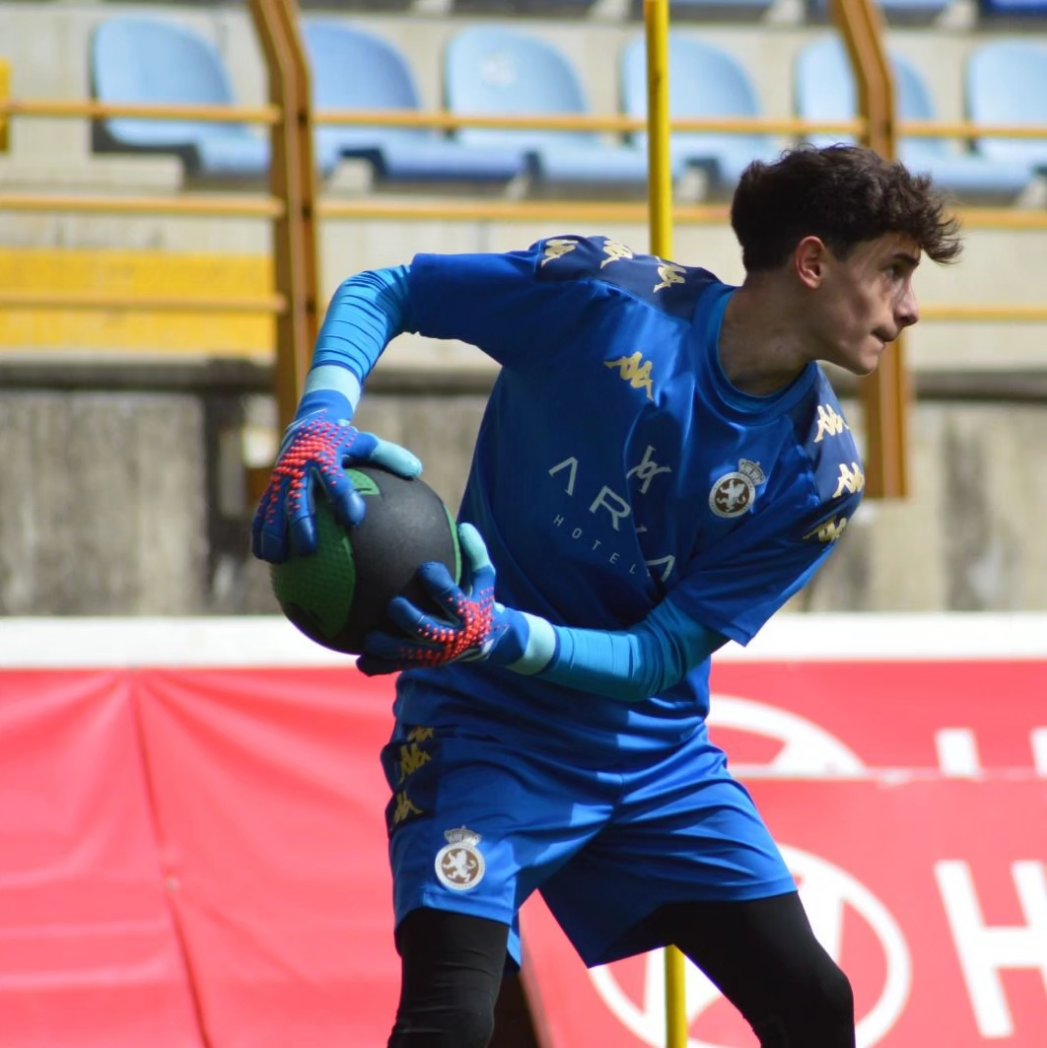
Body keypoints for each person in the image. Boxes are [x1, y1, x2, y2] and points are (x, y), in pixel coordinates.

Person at [252, 144, 961, 1047]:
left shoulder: (818, 474)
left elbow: (657, 658)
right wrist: (319, 420)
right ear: (813, 263)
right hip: (481, 733)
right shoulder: (599, 296)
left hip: (652, 761)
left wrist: (495, 633)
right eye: (893, 270)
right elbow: (386, 290)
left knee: (815, 1006)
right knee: (450, 1018)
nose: (910, 308)